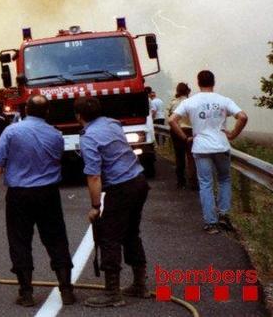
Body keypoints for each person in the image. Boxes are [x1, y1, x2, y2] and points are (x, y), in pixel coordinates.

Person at [0, 95, 75, 307]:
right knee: (56, 239)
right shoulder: (56, 135)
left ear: (25, 111)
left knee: (20, 241)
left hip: (19, 195)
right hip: (48, 193)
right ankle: (66, 290)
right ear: (47, 112)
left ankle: (26, 293)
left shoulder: (12, 132)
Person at [75, 96, 150, 308]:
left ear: (78, 116)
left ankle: (112, 293)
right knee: (131, 233)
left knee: (109, 236)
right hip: (139, 181)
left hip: (121, 187)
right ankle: (140, 285)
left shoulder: (88, 137)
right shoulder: (112, 123)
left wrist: (95, 207)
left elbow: (94, 176)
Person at [169, 70, 248, 234]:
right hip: (221, 145)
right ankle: (224, 215)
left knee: (205, 184)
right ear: (214, 82)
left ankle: (211, 223)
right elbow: (243, 117)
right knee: (224, 179)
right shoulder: (224, 100)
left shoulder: (190, 102)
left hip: (201, 147)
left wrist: (185, 138)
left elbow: (172, 120)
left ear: (198, 83)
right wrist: (232, 134)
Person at [167, 82, 194, 189]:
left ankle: (180, 181)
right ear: (187, 91)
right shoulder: (191, 102)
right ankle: (193, 181)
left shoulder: (173, 103)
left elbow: (169, 117)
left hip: (176, 131)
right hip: (189, 130)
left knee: (179, 156)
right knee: (191, 157)